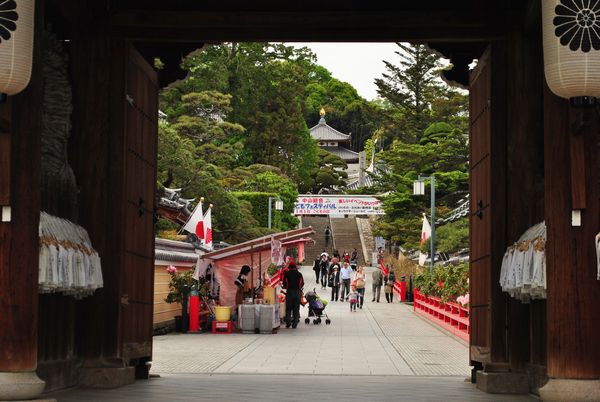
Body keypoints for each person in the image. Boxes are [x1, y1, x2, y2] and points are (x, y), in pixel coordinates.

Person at [282, 261, 304, 328]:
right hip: (297, 292)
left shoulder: (287, 274)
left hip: (289, 292)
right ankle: (294, 324)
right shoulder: (299, 274)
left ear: (289, 267)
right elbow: (302, 283)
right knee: (296, 308)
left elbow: (284, 283)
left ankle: (288, 323)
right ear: (295, 267)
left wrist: (286, 287)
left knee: (288, 308)